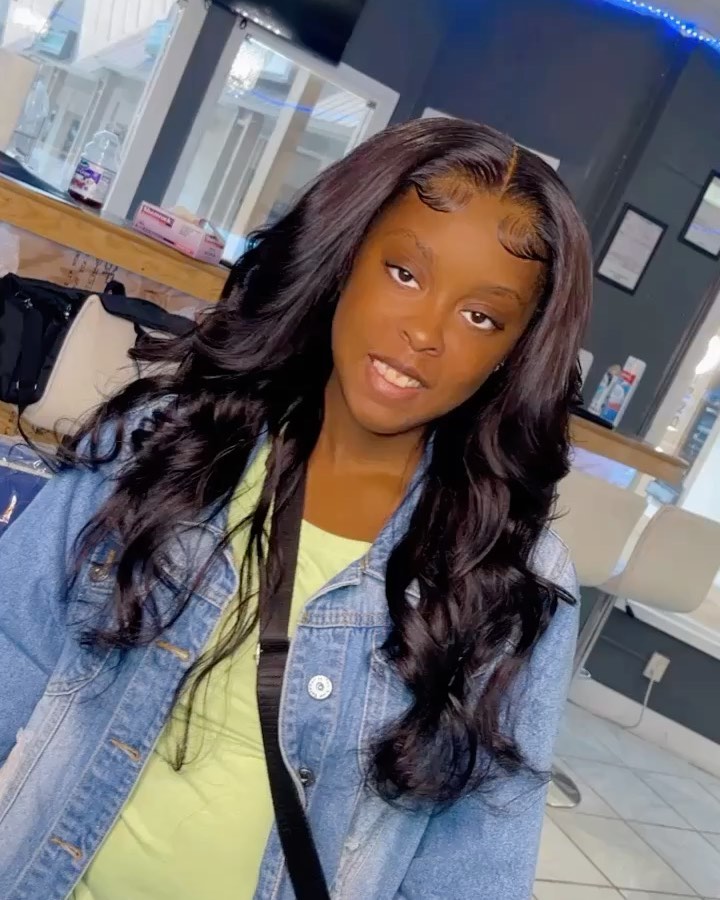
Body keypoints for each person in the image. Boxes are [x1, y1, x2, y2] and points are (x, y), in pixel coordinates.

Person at [0, 117, 592, 900]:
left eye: (480, 316)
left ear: (515, 353)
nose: (424, 331)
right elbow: (11, 652)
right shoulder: (163, 445)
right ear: (343, 260)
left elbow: (474, 865)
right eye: (404, 273)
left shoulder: (509, 580)